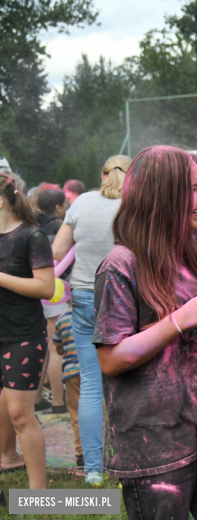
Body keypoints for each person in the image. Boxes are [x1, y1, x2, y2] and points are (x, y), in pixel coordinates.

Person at [93, 145, 197, 518]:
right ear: (161, 194)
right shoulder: (121, 264)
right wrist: (178, 319)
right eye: (192, 189)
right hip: (154, 443)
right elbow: (111, 359)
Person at [51, 154, 130, 484]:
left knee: (90, 387)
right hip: (124, 296)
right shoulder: (135, 206)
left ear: (102, 175)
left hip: (83, 294)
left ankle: (94, 470)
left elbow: (56, 250)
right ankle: (126, 460)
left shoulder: (82, 202)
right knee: (127, 384)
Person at [0, 172, 55, 490]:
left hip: (23, 334)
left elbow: (46, 287)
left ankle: (39, 495)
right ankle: (6, 457)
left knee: (21, 414)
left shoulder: (31, 236)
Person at [34, 188, 70, 414]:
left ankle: (37, 398)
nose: (67, 208)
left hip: (34, 288)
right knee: (56, 349)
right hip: (55, 290)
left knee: (43, 348)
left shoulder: (30, 223)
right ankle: (58, 401)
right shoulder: (60, 228)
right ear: (57, 207)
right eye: (65, 204)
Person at [52, 308, 83, 467]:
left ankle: (81, 452)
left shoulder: (62, 319)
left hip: (71, 373)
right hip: (92, 372)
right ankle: (99, 450)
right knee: (98, 410)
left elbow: (58, 348)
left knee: (76, 413)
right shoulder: (94, 313)